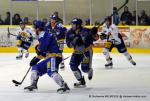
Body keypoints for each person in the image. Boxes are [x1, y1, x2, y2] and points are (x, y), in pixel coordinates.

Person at [24, 20, 70, 94]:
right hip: (49, 58)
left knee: (51, 71)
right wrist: (37, 58)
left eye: (34, 27)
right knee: (35, 67)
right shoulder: (42, 36)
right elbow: (44, 52)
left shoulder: (45, 35)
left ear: (38, 29)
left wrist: (37, 52)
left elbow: (43, 48)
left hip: (54, 57)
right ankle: (33, 85)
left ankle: (64, 86)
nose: (33, 29)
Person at [66, 18, 99, 88]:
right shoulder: (69, 32)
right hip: (76, 53)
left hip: (86, 52)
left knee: (84, 68)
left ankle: (89, 70)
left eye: (74, 24)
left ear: (78, 25)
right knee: (73, 66)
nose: (72, 25)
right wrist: (74, 41)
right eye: (72, 24)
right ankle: (81, 81)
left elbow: (96, 38)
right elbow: (69, 45)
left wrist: (94, 33)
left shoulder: (86, 31)